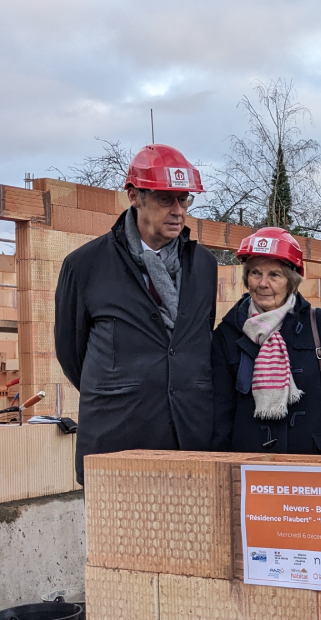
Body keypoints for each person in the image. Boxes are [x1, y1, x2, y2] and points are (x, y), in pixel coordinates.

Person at [55, 144, 217, 485]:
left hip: (191, 444)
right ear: (134, 195)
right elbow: (72, 353)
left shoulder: (204, 265)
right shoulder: (85, 266)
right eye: (165, 199)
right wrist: (125, 388)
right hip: (117, 443)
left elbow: (197, 338)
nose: (178, 210)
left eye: (184, 198)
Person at [211, 228, 321, 454]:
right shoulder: (227, 333)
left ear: (291, 281)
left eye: (274, 275)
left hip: (313, 468)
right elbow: (220, 412)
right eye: (255, 273)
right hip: (249, 467)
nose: (263, 283)